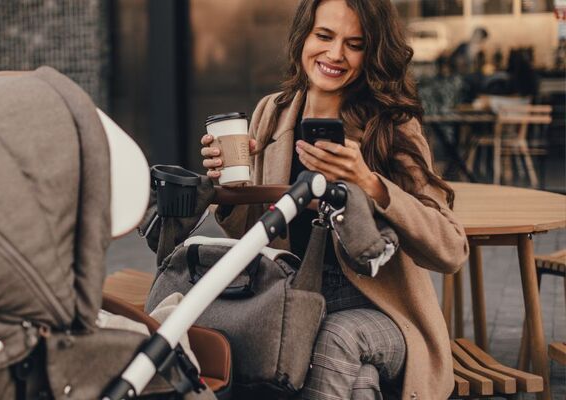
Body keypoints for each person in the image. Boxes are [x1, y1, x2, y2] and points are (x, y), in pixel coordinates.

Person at [200, 0, 469, 399]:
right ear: (303, 37)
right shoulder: (272, 114)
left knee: (336, 337)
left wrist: (369, 182)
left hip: (384, 315)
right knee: (360, 384)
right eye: (324, 36)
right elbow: (250, 230)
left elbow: (451, 249)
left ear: (372, 52)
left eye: (354, 44)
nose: (335, 54)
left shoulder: (391, 125)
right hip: (296, 303)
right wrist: (229, 185)